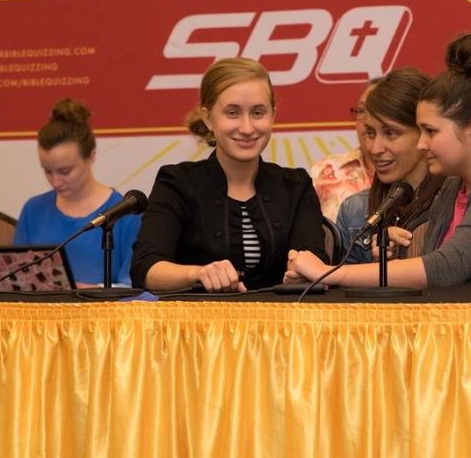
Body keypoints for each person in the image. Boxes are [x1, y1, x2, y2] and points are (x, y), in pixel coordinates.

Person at [285, 31, 471, 289]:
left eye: (430, 131)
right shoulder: (452, 187)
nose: (421, 143)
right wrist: (388, 260)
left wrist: (330, 272)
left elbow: (446, 268)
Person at [130, 57, 326, 292]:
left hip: (281, 316)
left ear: (273, 115)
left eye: (258, 113)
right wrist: (197, 274)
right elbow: (145, 269)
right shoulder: (176, 183)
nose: (247, 128)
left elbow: (316, 263)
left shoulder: (296, 186)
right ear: (208, 118)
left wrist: (302, 272)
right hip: (198, 316)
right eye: (232, 113)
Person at [13, 98, 141, 287]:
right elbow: (14, 280)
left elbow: (134, 290)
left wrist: (74, 290)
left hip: (103, 308)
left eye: (65, 171)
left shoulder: (125, 213)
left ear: (91, 157)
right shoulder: (33, 210)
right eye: (47, 171)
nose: (55, 181)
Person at [335, 67, 446, 263]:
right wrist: (375, 264)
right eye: (371, 133)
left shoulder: (456, 203)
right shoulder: (354, 210)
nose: (375, 148)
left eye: (391, 133)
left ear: (424, 132)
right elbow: (339, 282)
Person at [310, 78, 380, 220]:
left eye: (376, 110)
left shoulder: (417, 176)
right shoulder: (327, 171)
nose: (367, 120)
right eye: (362, 110)